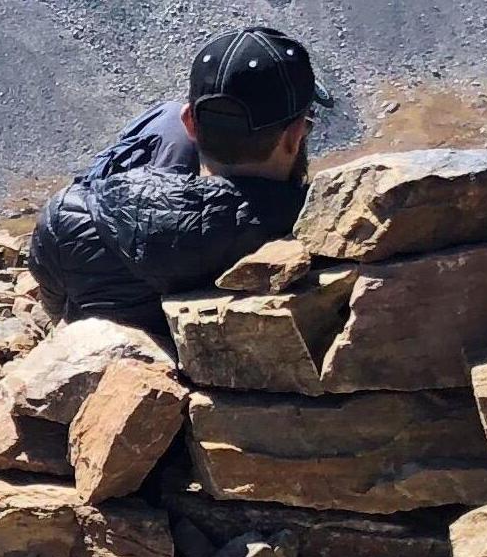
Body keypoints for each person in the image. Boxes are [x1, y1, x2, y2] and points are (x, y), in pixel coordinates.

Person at [23, 25, 330, 333]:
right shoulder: (329, 234)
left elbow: (57, 310)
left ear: (190, 125)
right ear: (295, 135)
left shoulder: (68, 218)